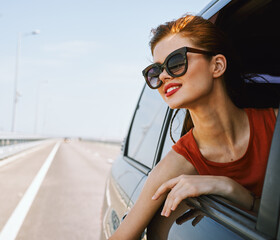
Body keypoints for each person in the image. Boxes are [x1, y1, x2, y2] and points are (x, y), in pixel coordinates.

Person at [109, 15, 278, 240]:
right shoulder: (175, 165)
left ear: (217, 65)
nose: (163, 76)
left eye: (176, 62)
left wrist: (227, 187)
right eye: (155, 71)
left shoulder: (275, 125)